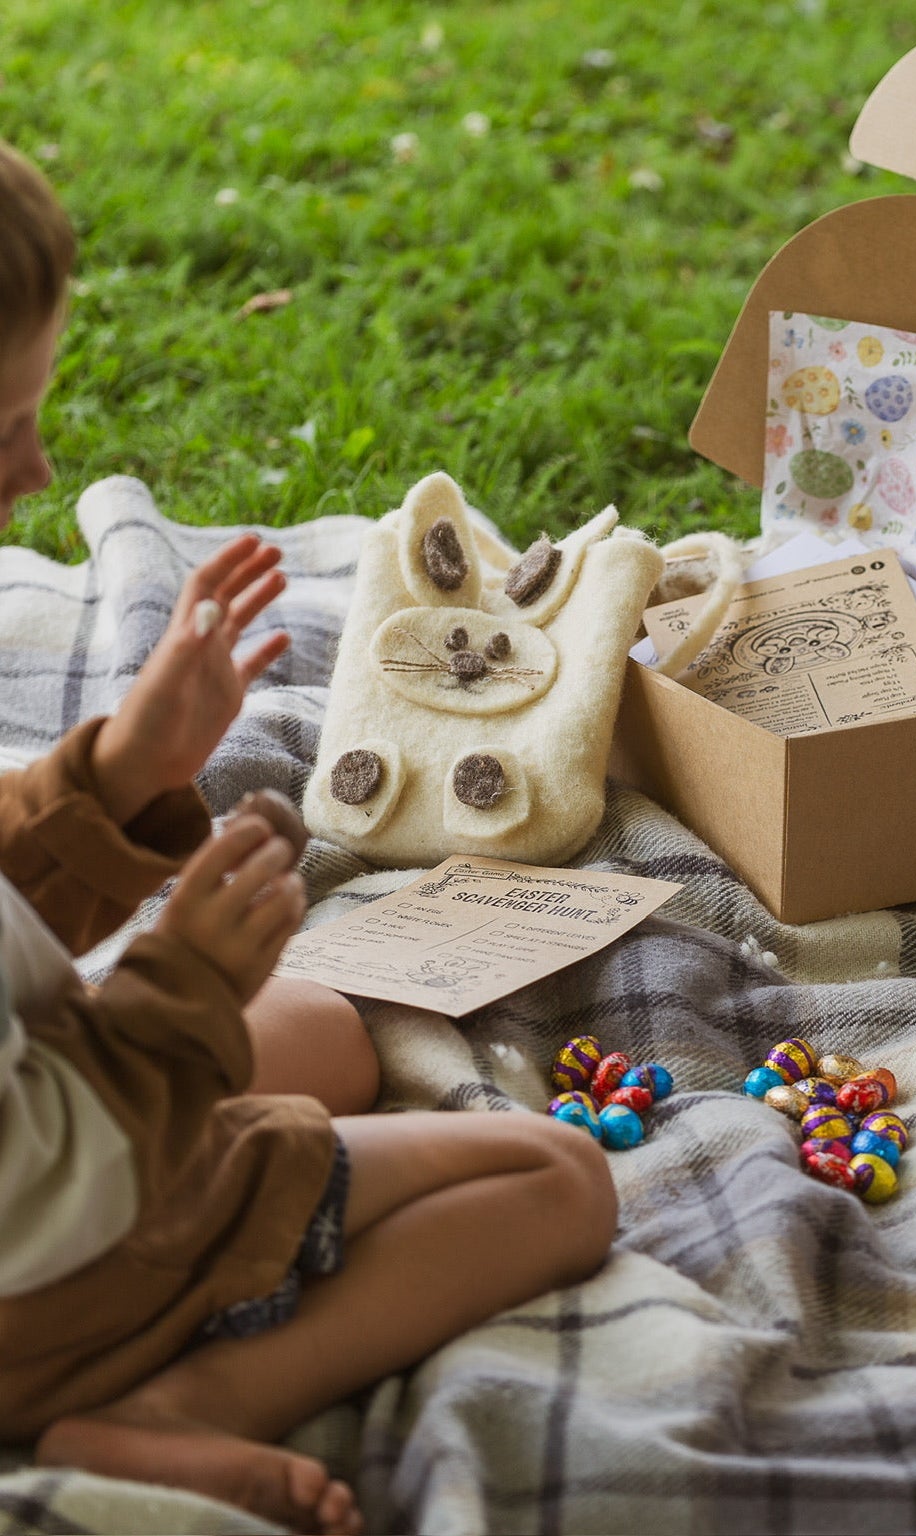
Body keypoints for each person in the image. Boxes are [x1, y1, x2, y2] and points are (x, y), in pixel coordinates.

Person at [0, 140, 618, 1535]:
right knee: (556, 1177)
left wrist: (111, 778)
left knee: (331, 1027)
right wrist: (182, 997)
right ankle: (183, 1410)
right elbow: (32, 1192)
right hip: (41, 1268)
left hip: (46, 1114)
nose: (40, 466)